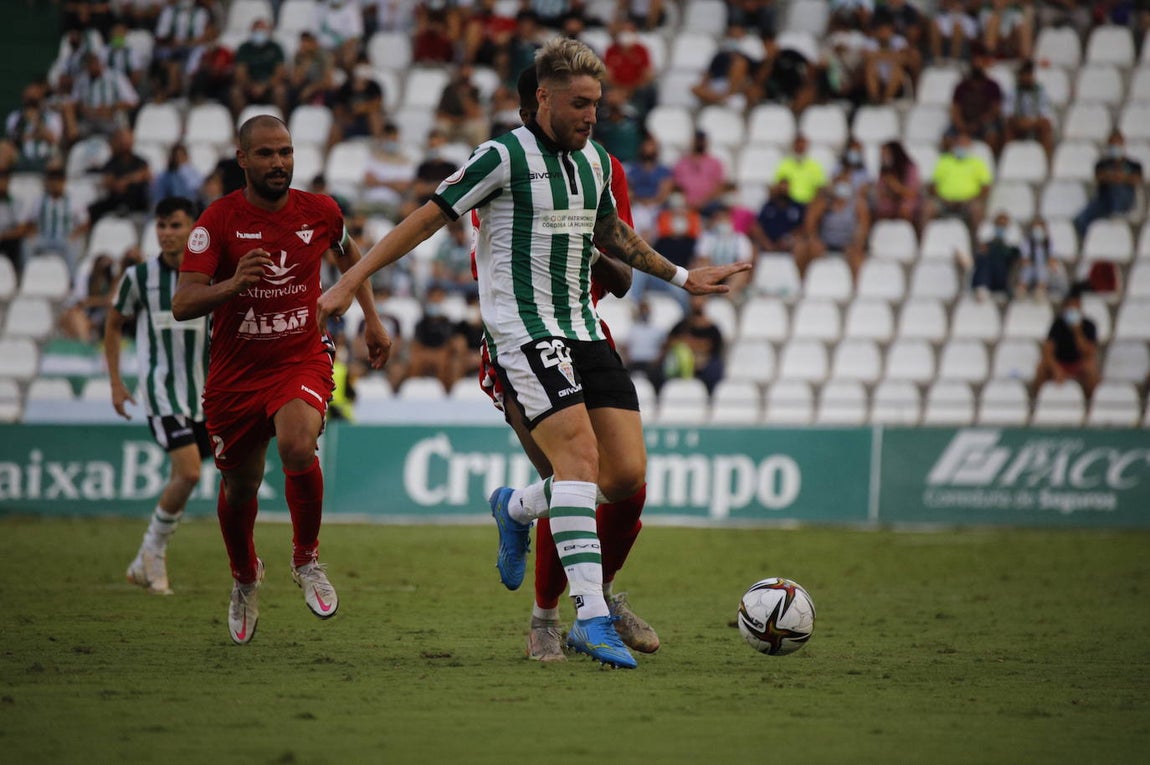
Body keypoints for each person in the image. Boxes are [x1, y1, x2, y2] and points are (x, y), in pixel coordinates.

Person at [316, 39, 749, 669]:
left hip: (584, 330)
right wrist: (355, 280)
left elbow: (611, 232)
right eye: (579, 103)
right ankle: (589, 617)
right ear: (542, 97)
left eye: (596, 104)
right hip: (524, 333)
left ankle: (515, 508)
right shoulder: (502, 155)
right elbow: (428, 217)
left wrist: (682, 278)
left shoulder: (597, 161)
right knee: (577, 462)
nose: (591, 115)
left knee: (623, 478)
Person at [172, 115, 391, 645]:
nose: (279, 163)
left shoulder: (320, 210)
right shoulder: (217, 221)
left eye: (287, 152)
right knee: (240, 485)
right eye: (267, 154)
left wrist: (373, 319)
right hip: (235, 374)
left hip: (299, 357)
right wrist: (232, 283)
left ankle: (306, 558)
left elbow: (351, 255)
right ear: (242, 159)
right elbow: (183, 303)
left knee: (298, 445)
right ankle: (245, 576)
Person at [104, 196, 209, 595]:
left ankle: (141, 562)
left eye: (176, 225)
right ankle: (152, 552)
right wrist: (116, 381)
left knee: (189, 477)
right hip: (160, 391)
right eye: (162, 226)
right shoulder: (139, 277)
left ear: (194, 229)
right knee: (189, 472)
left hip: (205, 394)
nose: (167, 233)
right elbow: (113, 325)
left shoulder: (210, 276)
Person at [793, 172, 871, 279]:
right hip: (825, 242)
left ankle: (856, 288)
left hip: (847, 244)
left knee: (857, 255)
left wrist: (856, 242)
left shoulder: (857, 205)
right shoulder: (824, 203)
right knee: (802, 249)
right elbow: (810, 224)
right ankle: (803, 282)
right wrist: (814, 239)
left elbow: (863, 228)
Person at [1074, 130, 1144, 238]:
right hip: (1103, 202)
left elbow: (1137, 179)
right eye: (1112, 144)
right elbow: (1100, 177)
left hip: (1125, 201)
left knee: (1117, 189)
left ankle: (1116, 214)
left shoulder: (1134, 164)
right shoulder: (1102, 164)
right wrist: (1117, 177)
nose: (1115, 147)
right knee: (1081, 219)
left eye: (1117, 144)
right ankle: (1087, 242)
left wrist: (1119, 178)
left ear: (1123, 144)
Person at [1032, 287, 1098, 399]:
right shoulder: (1057, 325)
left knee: (1091, 369)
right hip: (1060, 363)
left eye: (1075, 306)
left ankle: (1090, 403)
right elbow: (1047, 351)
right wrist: (1056, 369)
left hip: (1078, 364)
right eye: (1069, 306)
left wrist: (1078, 332)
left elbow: (1089, 352)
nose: (1072, 310)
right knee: (1041, 368)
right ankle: (1036, 401)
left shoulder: (1089, 326)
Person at [970, 210, 1021, 300]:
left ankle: (987, 285)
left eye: (1004, 220)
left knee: (995, 254)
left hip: (1006, 257)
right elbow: (983, 241)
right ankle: (982, 286)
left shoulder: (1013, 230)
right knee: (984, 258)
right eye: (999, 220)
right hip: (990, 256)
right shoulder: (988, 228)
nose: (1001, 222)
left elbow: (1014, 246)